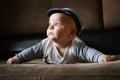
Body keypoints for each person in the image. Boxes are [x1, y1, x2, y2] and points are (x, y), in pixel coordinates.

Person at [7, 8, 119, 64]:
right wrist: (17, 58)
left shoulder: (76, 47)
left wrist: (101, 57)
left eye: (56, 24)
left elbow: (89, 53)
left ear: (71, 33)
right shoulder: (45, 44)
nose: (50, 27)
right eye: (50, 24)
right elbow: (30, 52)